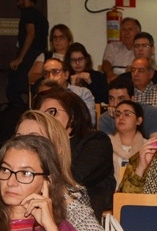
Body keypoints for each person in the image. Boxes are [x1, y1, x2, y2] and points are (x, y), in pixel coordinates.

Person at [0, 110, 104, 231]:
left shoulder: (72, 194)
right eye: (18, 138)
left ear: (56, 149)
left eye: (34, 139)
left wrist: (59, 190)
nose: (23, 145)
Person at [33, 88, 115, 219]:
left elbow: (76, 176)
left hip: (81, 216)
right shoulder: (36, 146)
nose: (45, 119)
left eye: (51, 112)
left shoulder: (95, 140)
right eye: (40, 115)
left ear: (72, 116)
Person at [7, 0, 48, 105]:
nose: (17, 2)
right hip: (39, 56)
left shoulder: (28, 13)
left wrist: (20, 57)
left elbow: (31, 34)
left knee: (12, 90)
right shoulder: (42, 17)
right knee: (32, 89)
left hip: (29, 55)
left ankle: (20, 115)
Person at [40, 58, 96, 125]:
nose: (50, 77)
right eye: (46, 73)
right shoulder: (42, 95)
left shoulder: (82, 93)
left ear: (66, 74)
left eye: (55, 72)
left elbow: (90, 121)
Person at [109, 100, 147, 182]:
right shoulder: (106, 145)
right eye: (117, 114)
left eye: (127, 114)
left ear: (138, 120)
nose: (121, 117)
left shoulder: (147, 147)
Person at [102, 17, 140, 81]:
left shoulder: (143, 49)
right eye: (123, 29)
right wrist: (110, 74)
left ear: (138, 33)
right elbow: (106, 63)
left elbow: (150, 71)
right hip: (114, 83)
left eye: (130, 29)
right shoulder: (112, 46)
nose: (126, 32)